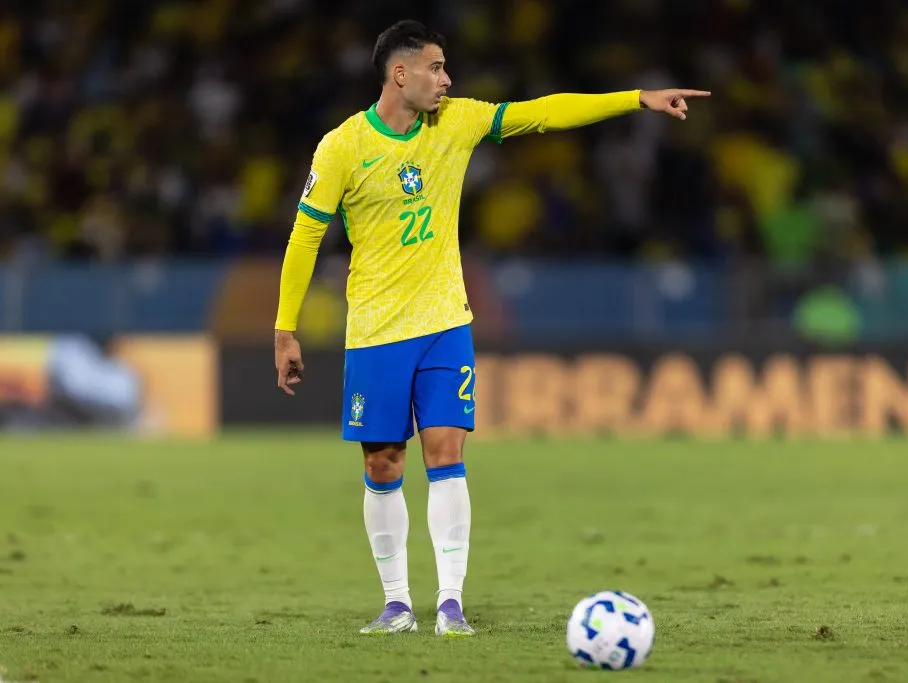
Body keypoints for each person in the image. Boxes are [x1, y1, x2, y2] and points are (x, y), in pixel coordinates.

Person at [273, 19, 709, 637]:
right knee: (385, 464)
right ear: (400, 73)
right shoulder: (342, 147)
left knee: (446, 453)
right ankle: (397, 605)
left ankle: (450, 603)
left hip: (445, 322)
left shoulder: (459, 121)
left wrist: (635, 98)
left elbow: (544, 113)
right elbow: (305, 238)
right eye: (436, 68)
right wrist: (285, 330)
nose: (446, 80)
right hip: (375, 330)